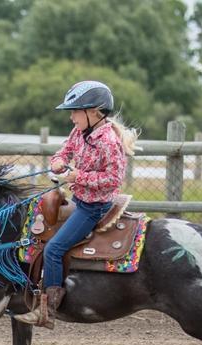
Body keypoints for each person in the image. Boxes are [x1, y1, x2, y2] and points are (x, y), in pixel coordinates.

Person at [14, 80, 139, 329]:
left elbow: (113, 180)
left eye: (75, 111)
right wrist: (59, 162)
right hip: (79, 199)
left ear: (94, 112)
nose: (71, 117)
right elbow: (63, 151)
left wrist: (76, 177)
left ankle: (47, 309)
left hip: (94, 207)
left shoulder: (109, 142)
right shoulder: (81, 133)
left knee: (54, 249)